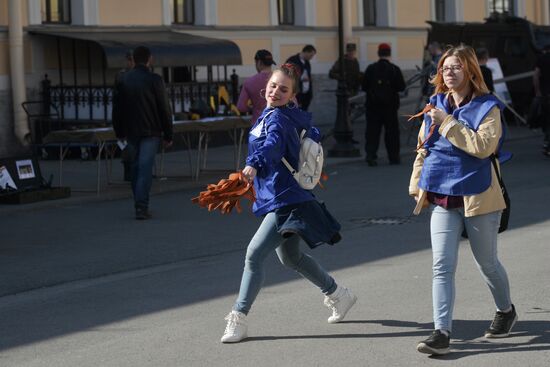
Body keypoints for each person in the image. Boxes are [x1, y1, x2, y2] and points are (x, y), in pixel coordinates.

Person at [221, 63, 356, 343]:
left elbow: (272, 146)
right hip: (283, 195)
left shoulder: (279, 120)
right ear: (265, 87)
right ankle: (338, 294)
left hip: (285, 200)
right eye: (273, 86)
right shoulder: (278, 115)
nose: (276, 91)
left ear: (293, 95)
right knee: (290, 257)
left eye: (284, 89)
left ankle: (238, 317)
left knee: (254, 254)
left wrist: (253, 165)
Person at [409, 45, 517, 356]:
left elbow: (483, 147)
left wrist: (447, 123)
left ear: (470, 71)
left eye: (456, 67)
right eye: (445, 68)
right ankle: (441, 331)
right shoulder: (435, 104)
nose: (449, 72)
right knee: (441, 266)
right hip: (443, 197)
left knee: (487, 264)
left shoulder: (488, 107)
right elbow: (423, 147)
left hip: (478, 194)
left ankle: (506, 310)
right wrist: (417, 182)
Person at [112, 46, 173, 220]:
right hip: (151, 131)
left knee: (135, 167)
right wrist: (168, 134)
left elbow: (117, 108)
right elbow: (164, 109)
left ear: (134, 59)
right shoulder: (155, 80)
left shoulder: (123, 79)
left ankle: (138, 203)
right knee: (145, 169)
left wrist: (119, 131)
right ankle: (141, 206)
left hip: (130, 131)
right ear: (149, 59)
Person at [361, 43, 406, 166]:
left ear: (378, 54)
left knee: (372, 132)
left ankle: (371, 156)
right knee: (392, 133)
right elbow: (401, 87)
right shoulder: (394, 69)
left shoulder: (371, 68)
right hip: (390, 107)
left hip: (373, 107)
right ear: (389, 54)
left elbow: (364, 86)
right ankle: (393, 157)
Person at [236, 49, 275, 124]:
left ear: (259, 62)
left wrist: (252, 108)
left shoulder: (249, 82)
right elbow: (293, 103)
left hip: (258, 126)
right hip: (278, 125)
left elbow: (241, 107)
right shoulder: (282, 80)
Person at [114, 51, 135, 182]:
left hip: (137, 116)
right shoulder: (122, 75)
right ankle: (128, 171)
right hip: (126, 117)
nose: (131, 63)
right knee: (128, 147)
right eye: (130, 60)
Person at [285, 45, 317, 111]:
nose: (311, 58)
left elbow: (307, 75)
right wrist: (301, 79)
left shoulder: (307, 62)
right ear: (306, 52)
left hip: (306, 94)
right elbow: (287, 75)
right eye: (311, 55)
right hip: (296, 94)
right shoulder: (292, 60)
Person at [533, 44, 550, 156]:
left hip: (546, 93)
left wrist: (537, 90)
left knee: (547, 118)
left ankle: (547, 142)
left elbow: (536, 75)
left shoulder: (541, 58)